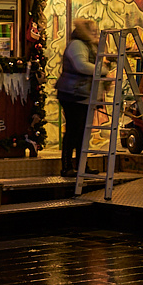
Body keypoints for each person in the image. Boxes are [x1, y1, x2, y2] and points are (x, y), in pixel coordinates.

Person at [54, 17, 100, 176]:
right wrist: (101, 69)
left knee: (82, 131)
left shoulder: (86, 45)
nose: (95, 33)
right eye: (93, 30)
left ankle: (81, 165)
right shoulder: (77, 45)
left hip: (81, 93)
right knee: (75, 130)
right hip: (73, 94)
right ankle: (67, 166)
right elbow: (81, 65)